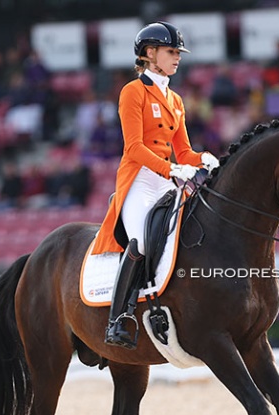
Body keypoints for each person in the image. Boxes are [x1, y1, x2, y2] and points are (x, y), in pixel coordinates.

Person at [90, 21, 220, 350]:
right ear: (151, 54)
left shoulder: (176, 100)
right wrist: (171, 168)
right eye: (171, 52)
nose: (177, 58)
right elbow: (133, 147)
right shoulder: (132, 92)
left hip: (167, 178)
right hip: (139, 181)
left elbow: (185, 150)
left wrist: (204, 158)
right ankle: (118, 319)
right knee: (141, 243)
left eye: (178, 53)